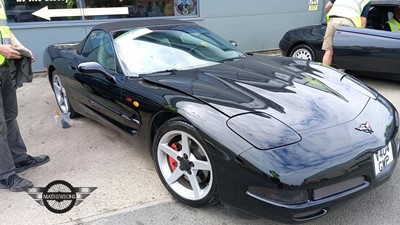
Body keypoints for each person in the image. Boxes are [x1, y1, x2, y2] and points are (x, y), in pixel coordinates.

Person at [0, 0, 49, 192]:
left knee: (10, 116)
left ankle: (19, 159)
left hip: (4, 66)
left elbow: (4, 29)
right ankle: (5, 175)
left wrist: (19, 46)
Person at [322, 0, 371, 66]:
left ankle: (324, 73)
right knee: (344, 53)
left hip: (333, 20)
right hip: (348, 23)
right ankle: (340, 74)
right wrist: (360, 35)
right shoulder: (366, 1)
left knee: (328, 51)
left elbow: (327, 6)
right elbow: (363, 21)